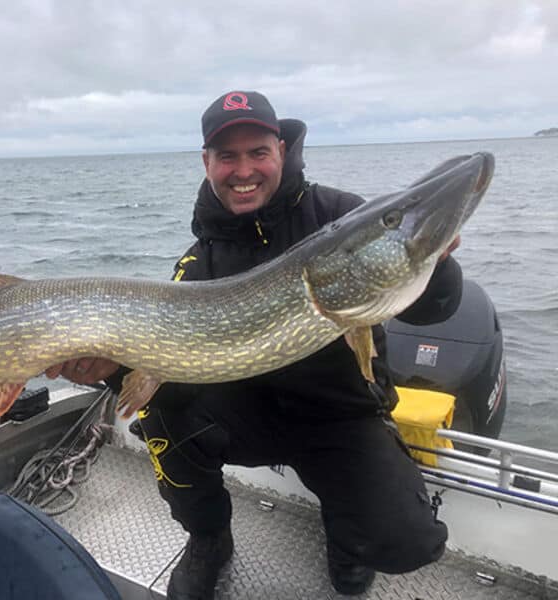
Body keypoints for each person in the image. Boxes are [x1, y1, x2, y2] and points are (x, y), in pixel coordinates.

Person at [46, 91, 460, 599]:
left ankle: (349, 539)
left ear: (281, 151)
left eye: (258, 152)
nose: (244, 170)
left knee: (408, 544)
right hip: (247, 414)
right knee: (157, 417)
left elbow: (431, 309)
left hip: (340, 417)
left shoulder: (343, 217)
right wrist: (112, 370)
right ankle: (208, 537)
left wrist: (436, 263)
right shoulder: (197, 265)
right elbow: (172, 387)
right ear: (208, 163)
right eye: (227, 156)